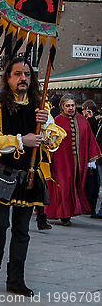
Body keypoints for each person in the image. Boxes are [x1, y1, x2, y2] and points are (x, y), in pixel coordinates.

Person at [0, 57, 65, 296]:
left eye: (27, 74)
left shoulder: (40, 106)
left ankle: (16, 279)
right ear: (8, 78)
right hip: (3, 174)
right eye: (17, 74)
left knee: (22, 230)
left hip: (29, 176)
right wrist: (19, 140)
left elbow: (53, 140)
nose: (23, 78)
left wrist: (45, 127)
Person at [44, 94, 101, 225]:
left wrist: (91, 158)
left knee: (74, 186)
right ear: (62, 107)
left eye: (73, 105)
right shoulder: (56, 122)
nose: (70, 108)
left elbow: (90, 139)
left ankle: (68, 214)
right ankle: (64, 215)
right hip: (61, 161)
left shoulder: (83, 120)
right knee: (62, 186)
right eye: (67, 106)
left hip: (78, 163)